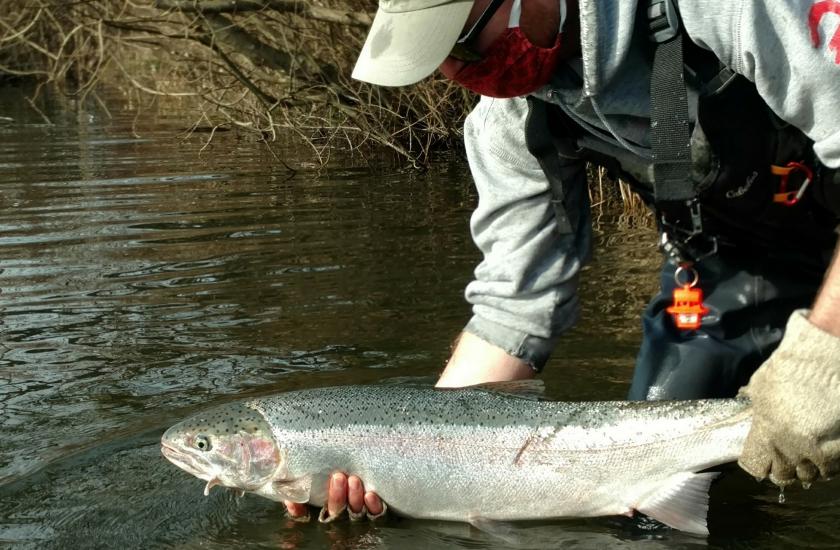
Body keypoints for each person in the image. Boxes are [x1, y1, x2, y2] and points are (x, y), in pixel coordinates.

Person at [286, 0, 840, 521]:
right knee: (646, 503)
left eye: (464, 43)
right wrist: (414, 462)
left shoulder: (728, 10)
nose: (457, 74)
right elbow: (514, 309)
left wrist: (822, 356)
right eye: (439, 60)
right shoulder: (510, 123)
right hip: (724, 267)